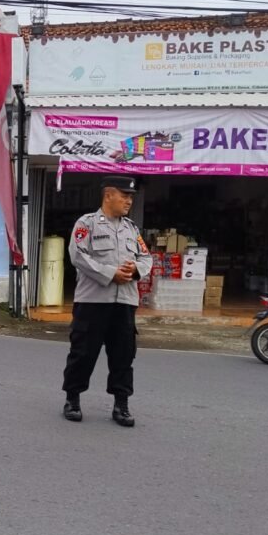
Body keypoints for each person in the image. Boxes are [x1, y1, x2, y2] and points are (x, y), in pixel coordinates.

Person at [62, 176, 153, 427]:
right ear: (108, 195)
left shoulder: (132, 229)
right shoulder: (87, 224)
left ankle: (121, 405)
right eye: (124, 195)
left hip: (124, 302)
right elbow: (77, 256)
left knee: (124, 356)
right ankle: (72, 399)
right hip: (92, 301)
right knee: (82, 353)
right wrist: (110, 272)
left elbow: (147, 258)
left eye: (131, 196)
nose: (129, 201)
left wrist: (135, 270)